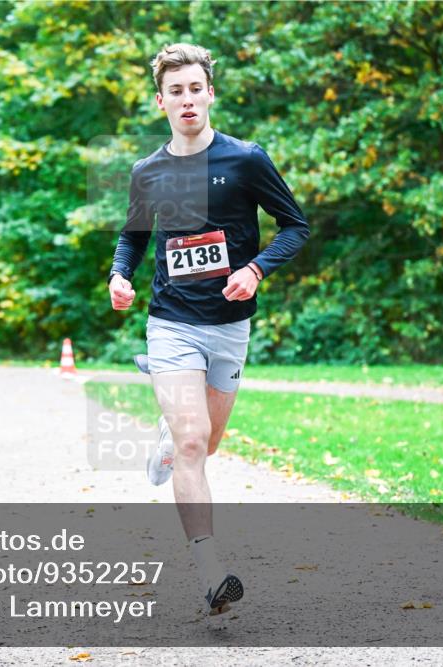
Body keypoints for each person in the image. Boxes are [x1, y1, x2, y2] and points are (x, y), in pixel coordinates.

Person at [107, 43, 309, 615]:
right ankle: (210, 572)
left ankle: (169, 437)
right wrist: (120, 275)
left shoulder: (246, 160)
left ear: (210, 93)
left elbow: (295, 226)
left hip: (229, 329)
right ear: (161, 101)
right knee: (195, 441)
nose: (187, 99)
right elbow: (133, 236)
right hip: (171, 324)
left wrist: (255, 269)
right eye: (176, 91)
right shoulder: (148, 171)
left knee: (207, 443)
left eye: (196, 88)